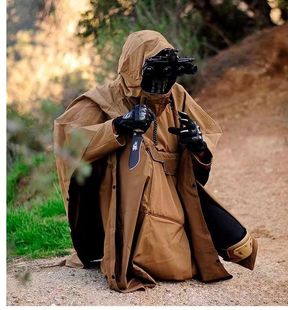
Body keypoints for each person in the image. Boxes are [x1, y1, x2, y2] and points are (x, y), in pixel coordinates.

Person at [54, 30, 257, 293]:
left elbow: (206, 138)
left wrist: (197, 144)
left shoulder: (178, 97)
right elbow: (69, 143)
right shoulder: (101, 100)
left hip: (174, 196)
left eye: (168, 76)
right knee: (166, 262)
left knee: (233, 247)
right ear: (134, 66)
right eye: (155, 73)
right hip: (122, 198)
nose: (162, 84)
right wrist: (118, 126)